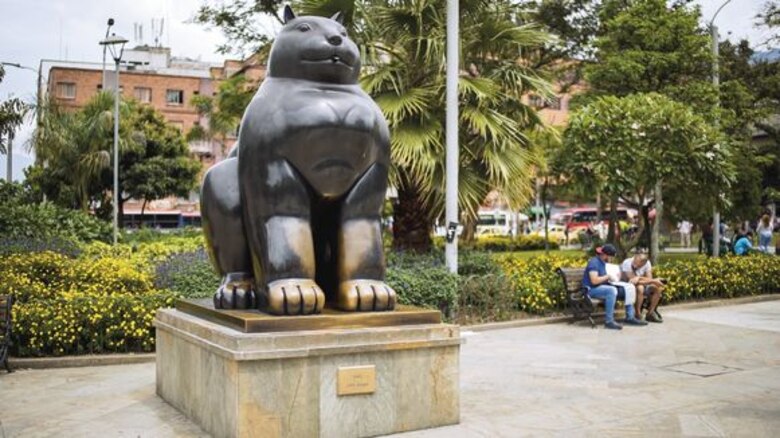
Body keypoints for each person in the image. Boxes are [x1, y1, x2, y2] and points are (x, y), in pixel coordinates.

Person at [582, 244, 647, 330]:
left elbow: (610, 277)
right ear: (605, 255)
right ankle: (609, 321)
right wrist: (608, 276)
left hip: (603, 287)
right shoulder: (594, 262)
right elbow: (594, 281)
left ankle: (630, 317)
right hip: (590, 289)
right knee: (611, 290)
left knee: (629, 288)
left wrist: (617, 276)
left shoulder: (605, 263)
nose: (612, 259)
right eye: (611, 257)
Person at [621, 248, 665, 323]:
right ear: (634, 257)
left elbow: (649, 278)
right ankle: (638, 314)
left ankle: (650, 313)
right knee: (640, 288)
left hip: (643, 283)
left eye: (639, 265)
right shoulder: (627, 263)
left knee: (657, 288)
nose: (636, 266)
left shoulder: (647, 263)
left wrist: (639, 278)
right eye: (635, 263)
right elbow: (633, 281)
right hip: (628, 285)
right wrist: (653, 280)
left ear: (644, 263)